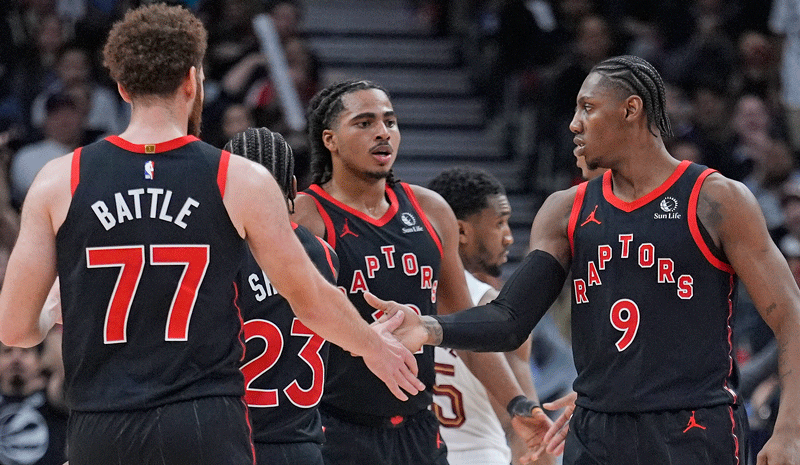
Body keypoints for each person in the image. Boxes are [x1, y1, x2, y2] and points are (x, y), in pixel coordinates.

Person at [0, 5, 423, 464]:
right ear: (192, 80)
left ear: (122, 86)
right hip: (203, 421)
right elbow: (311, 298)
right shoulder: (239, 178)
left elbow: (15, 328)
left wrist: (52, 307)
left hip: (101, 425)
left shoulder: (59, 179)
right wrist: (372, 346)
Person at [368, 55, 800, 464]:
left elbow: (790, 317)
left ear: (631, 110)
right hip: (598, 431)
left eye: (588, 108)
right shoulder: (565, 210)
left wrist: (788, 431)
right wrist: (428, 327)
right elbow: (510, 318)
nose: (574, 123)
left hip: (693, 426)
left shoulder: (715, 199)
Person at [292, 79, 551, 465]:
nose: (383, 132)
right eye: (364, 123)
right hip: (336, 427)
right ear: (330, 139)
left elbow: (465, 328)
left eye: (390, 121)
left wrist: (516, 404)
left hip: (419, 428)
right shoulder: (307, 216)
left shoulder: (430, 210)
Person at [427, 166, 556, 465]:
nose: (509, 237)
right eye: (499, 223)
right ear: (461, 231)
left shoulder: (406, 292)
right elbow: (528, 431)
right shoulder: (495, 310)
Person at [225, 126, 336, 465]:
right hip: (303, 444)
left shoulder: (220, 255)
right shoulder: (325, 255)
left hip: (236, 442)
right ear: (293, 188)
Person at [0, 342, 68, 465]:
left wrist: (47, 331)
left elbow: (69, 366)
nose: (16, 358)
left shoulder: (52, 393)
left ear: (40, 360)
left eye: (25, 351)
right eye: (7, 351)